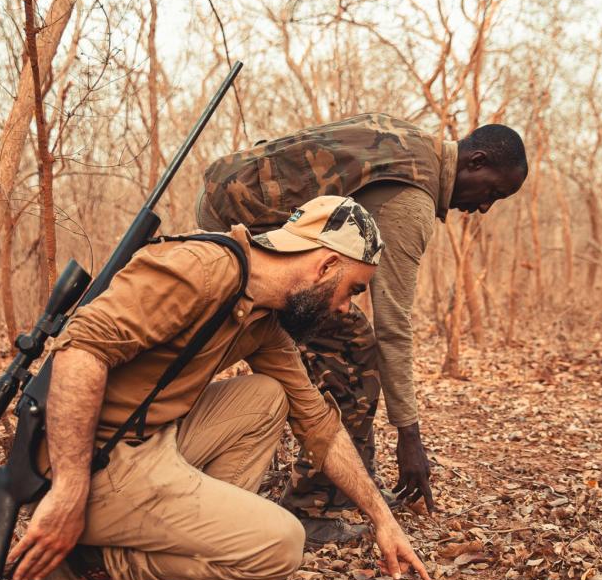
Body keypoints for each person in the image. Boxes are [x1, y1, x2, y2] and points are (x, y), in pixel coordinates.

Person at [7, 195, 433, 580]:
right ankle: (79, 565)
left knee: (268, 397)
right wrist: (68, 491)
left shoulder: (263, 316)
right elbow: (79, 350)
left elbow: (317, 422)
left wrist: (381, 518)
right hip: (91, 456)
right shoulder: (202, 268)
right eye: (352, 289)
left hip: (153, 436)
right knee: (282, 545)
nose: (346, 308)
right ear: (326, 265)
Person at [197, 114, 528, 544]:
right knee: (353, 348)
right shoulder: (412, 200)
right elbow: (394, 324)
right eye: (493, 193)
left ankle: (352, 479)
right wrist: (410, 436)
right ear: (476, 162)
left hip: (226, 207)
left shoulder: (410, 142)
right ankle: (314, 510)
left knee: (347, 341)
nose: (484, 206)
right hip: (246, 233)